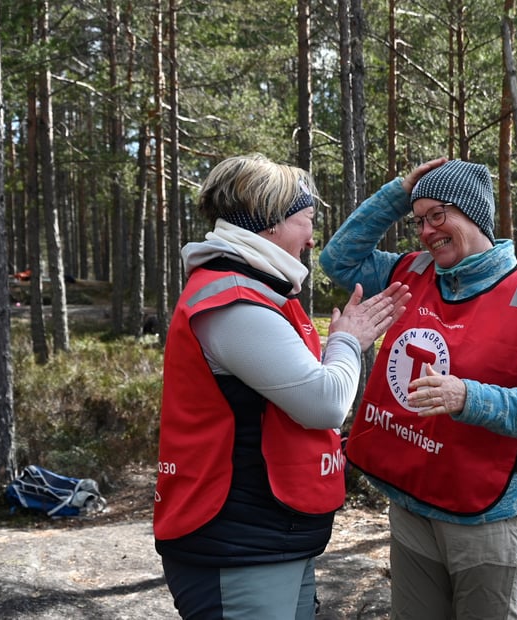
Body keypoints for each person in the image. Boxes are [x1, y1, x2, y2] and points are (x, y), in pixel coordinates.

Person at [153, 153, 410, 620]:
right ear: (270, 223)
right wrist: (349, 342)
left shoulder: (255, 292)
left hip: (266, 533)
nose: (312, 239)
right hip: (236, 541)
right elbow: (324, 403)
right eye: (306, 221)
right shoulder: (233, 303)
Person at [319, 158, 517, 619]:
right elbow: (337, 260)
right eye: (418, 220)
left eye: (438, 215)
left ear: (473, 214)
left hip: (486, 515)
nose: (424, 231)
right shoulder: (411, 273)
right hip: (412, 501)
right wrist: (398, 193)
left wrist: (467, 397)